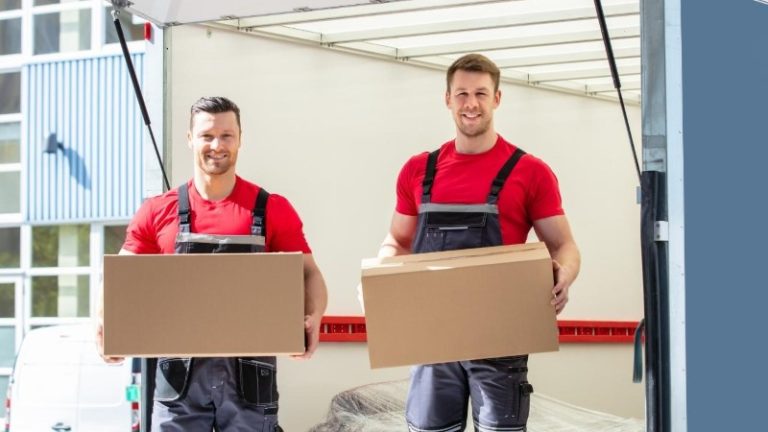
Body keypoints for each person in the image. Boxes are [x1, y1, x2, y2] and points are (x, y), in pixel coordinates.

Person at [374, 54, 580, 432]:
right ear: (447, 99)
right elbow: (398, 241)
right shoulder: (418, 170)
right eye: (462, 94)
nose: (471, 103)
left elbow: (563, 245)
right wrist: (379, 278)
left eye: (481, 93)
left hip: (501, 337)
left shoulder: (530, 171)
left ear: (497, 99)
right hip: (431, 338)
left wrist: (564, 274)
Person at [96, 96, 328, 431]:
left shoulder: (271, 209)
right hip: (178, 384)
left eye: (226, 135)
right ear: (190, 139)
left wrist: (313, 317)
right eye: (207, 135)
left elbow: (309, 273)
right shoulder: (158, 211)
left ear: (240, 139)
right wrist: (104, 323)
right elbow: (119, 279)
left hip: (250, 381)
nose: (217, 145)